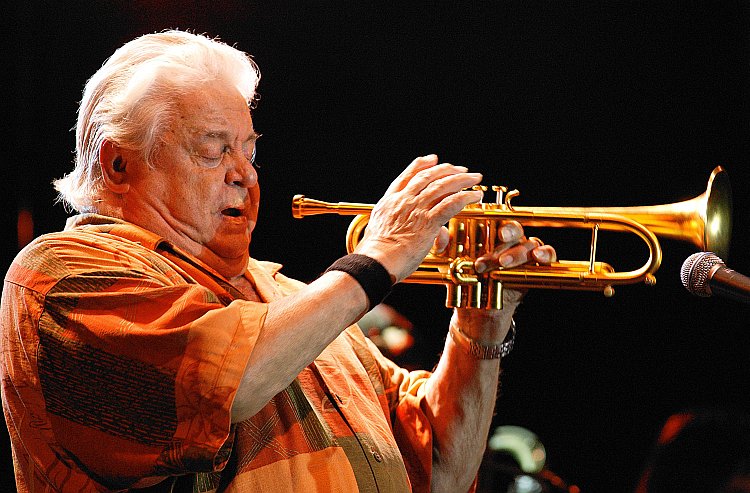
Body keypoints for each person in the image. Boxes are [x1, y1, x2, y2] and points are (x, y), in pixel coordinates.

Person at [0, 30, 556, 493]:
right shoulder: (61, 274)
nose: (245, 172)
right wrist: (380, 256)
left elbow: (441, 470)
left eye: (251, 149)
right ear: (119, 164)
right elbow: (226, 384)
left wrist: (482, 320)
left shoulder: (292, 298)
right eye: (214, 148)